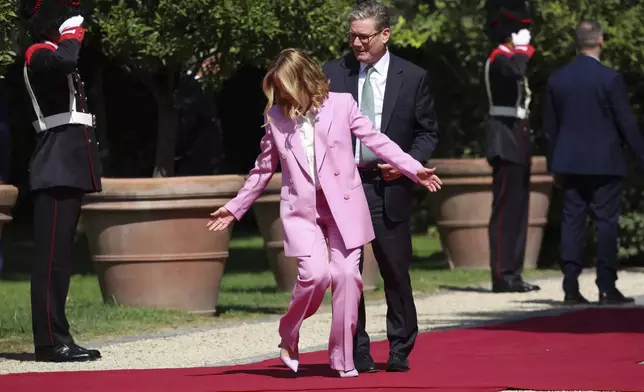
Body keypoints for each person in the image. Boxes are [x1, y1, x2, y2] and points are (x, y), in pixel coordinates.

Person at [207, 48, 442, 378]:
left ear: (303, 79)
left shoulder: (342, 104)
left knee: (348, 277)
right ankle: (289, 334)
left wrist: (413, 169)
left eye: (287, 85)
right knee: (315, 276)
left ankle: (343, 359)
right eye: (278, 88)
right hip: (302, 212)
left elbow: (378, 141)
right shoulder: (276, 117)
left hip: (344, 209)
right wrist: (235, 208)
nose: (284, 94)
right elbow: (262, 170)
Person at [322, 1, 438, 372]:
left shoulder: (413, 76)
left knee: (394, 270)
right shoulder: (332, 75)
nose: (356, 44)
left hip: (390, 188)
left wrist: (404, 164)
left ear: (385, 35)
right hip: (346, 187)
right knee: (347, 273)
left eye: (364, 37)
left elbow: (427, 133)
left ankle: (401, 346)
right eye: (352, 36)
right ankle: (357, 350)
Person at [20, 0, 102, 362]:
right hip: (54, 165)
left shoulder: (56, 52)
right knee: (51, 260)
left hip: (66, 165)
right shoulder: (39, 53)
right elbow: (66, 60)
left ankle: (59, 335)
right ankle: (51, 341)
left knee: (61, 260)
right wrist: (71, 32)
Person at [543, 19, 642, 305]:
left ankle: (570, 286)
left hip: (569, 163)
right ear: (601, 42)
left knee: (572, 223)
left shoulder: (557, 79)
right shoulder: (610, 79)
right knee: (606, 224)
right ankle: (606, 286)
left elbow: (550, 129)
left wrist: (554, 165)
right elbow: (627, 125)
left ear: (576, 44)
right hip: (605, 163)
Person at [482, 1, 540, 293]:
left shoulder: (508, 57)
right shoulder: (499, 59)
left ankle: (513, 273)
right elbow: (516, 70)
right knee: (506, 209)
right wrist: (520, 49)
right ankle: (502, 275)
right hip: (504, 136)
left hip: (516, 135)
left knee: (519, 207)